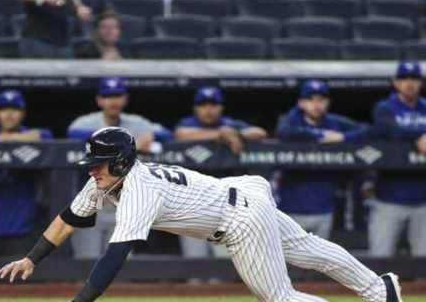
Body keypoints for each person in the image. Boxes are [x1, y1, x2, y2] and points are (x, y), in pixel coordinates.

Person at [0, 127, 411, 302]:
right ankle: (379, 287)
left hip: (237, 219)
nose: (92, 170)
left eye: (98, 164)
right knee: (304, 248)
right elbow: (67, 219)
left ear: (120, 162)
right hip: (246, 191)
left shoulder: (138, 189)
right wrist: (33, 258)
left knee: (279, 301)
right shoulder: (104, 183)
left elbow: (116, 254)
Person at [68, 77, 172, 259]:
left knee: (119, 266)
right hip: (91, 204)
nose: (113, 101)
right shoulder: (88, 122)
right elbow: (73, 132)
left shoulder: (135, 122)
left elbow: (166, 133)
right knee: (85, 261)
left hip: (122, 206)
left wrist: (150, 135)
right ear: (99, 100)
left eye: (117, 95)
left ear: (125, 99)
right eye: (107, 96)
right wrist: (129, 141)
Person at [174, 85, 267, 259]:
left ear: (221, 107)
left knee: (225, 266)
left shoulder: (230, 124)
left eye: (213, 105)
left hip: (224, 209)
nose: (208, 110)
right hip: (191, 208)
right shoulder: (188, 124)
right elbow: (180, 134)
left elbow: (260, 132)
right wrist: (220, 134)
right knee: (195, 265)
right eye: (203, 105)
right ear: (196, 108)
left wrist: (235, 133)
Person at [275, 80, 370, 240]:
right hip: (291, 210)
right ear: (301, 103)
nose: (316, 104)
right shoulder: (291, 120)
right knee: (287, 262)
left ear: (328, 102)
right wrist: (320, 135)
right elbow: (284, 132)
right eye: (310, 99)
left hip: (324, 207)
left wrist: (343, 137)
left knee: (320, 262)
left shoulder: (333, 122)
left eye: (321, 100)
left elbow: (367, 129)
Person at [0, 90, 53, 256]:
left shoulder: (35, 138)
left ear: (23, 113)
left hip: (24, 230)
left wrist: (10, 140)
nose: (10, 113)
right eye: (4, 109)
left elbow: (46, 135)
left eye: (15, 109)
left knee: (22, 281)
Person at [370, 61, 426, 257]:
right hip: (389, 199)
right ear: (395, 82)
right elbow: (390, 130)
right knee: (379, 261)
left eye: (414, 78)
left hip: (423, 201)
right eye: (404, 79)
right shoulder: (385, 107)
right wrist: (420, 135)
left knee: (423, 267)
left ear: (421, 82)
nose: (409, 83)